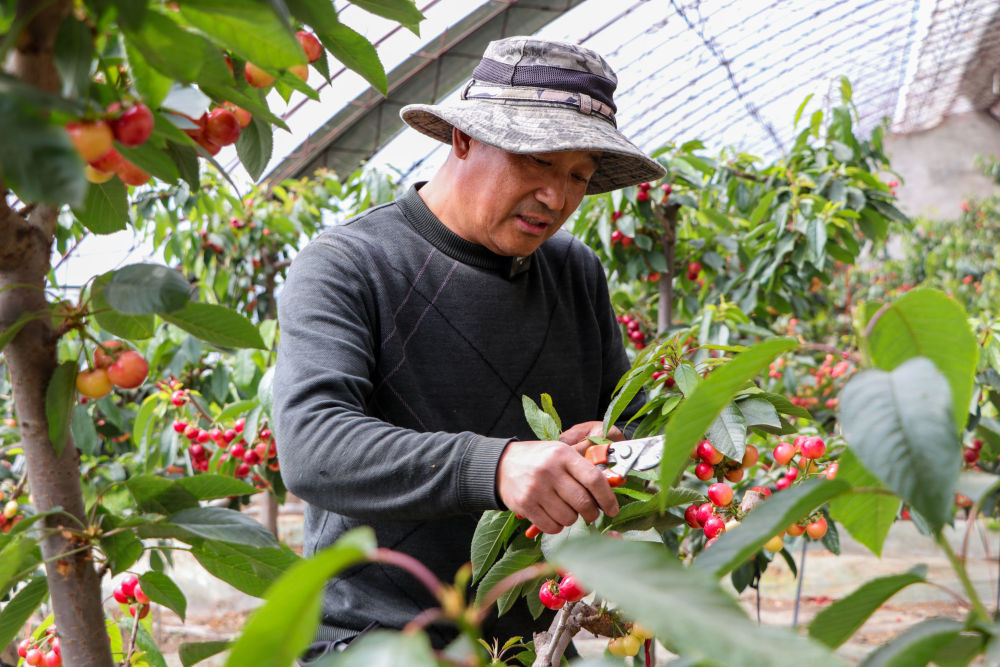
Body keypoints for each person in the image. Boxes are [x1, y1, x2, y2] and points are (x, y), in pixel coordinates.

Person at [273, 35, 666, 660]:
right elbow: (312, 447)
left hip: (533, 639)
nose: (557, 198)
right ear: (463, 139)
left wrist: (612, 450)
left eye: (578, 177)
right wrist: (499, 465)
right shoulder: (350, 264)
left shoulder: (573, 271)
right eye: (539, 162)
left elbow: (629, 415)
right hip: (375, 641)